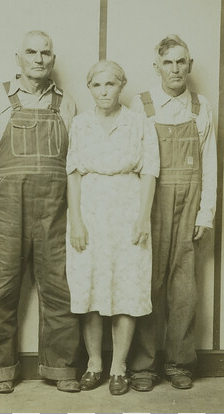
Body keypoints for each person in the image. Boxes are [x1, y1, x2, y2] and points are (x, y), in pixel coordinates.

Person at [0, 30, 81, 394]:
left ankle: (60, 367)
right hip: (5, 209)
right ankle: (0, 370)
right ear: (18, 57)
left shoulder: (67, 104)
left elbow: (75, 163)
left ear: (53, 60)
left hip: (53, 207)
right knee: (1, 289)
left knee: (59, 288)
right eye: (31, 52)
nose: (38, 58)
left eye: (45, 53)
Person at [128, 34, 217, 391]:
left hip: (189, 206)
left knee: (184, 288)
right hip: (151, 206)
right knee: (148, 282)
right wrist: (137, 215)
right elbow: (134, 163)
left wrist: (205, 213)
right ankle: (143, 366)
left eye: (182, 62)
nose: (176, 68)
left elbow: (209, 163)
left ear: (190, 66)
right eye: (168, 62)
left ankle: (180, 362)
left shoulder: (201, 107)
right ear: (157, 67)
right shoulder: (142, 105)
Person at [66, 60, 160, 395]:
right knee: (91, 289)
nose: (103, 91)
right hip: (90, 211)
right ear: (89, 88)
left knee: (126, 290)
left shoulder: (138, 123)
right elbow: (73, 174)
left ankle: (119, 367)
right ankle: (94, 364)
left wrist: (143, 216)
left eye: (110, 84)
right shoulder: (79, 124)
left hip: (128, 209)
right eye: (96, 85)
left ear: (122, 85)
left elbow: (150, 170)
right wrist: (76, 219)